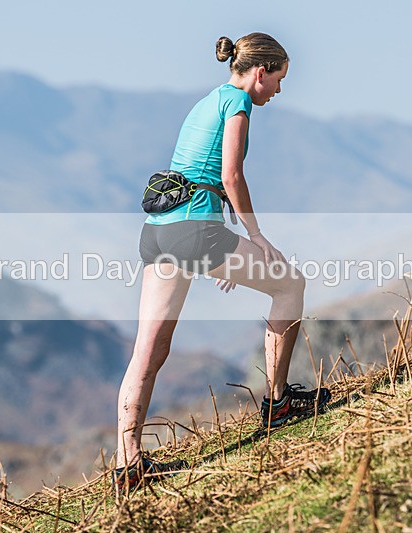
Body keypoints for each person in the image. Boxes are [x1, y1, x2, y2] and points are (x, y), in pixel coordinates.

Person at [114, 32, 332, 492]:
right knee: (290, 285)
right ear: (259, 72)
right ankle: (279, 405)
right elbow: (230, 174)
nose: (278, 89)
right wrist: (254, 236)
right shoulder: (238, 103)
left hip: (159, 231)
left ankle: (127, 464)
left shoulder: (206, 101)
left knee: (148, 350)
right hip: (196, 231)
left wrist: (226, 252)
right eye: (278, 79)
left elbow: (199, 173)